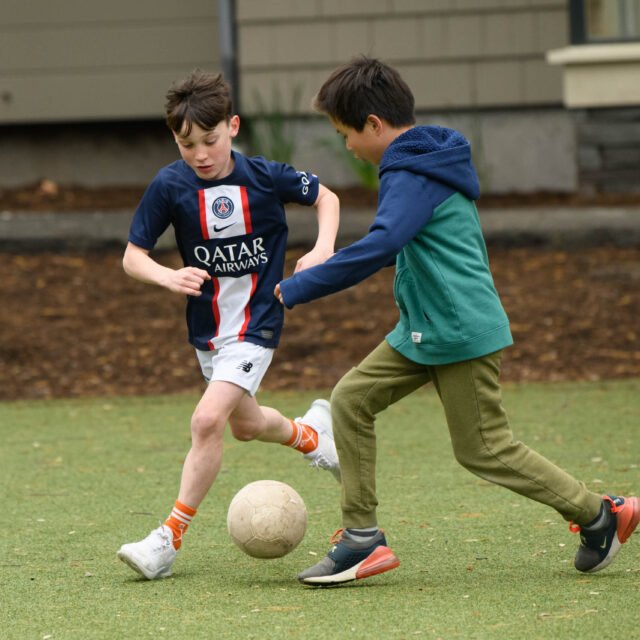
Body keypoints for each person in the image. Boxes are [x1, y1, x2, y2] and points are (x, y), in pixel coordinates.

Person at [275, 56, 639, 586]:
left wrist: (301, 285)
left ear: (374, 125)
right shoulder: (422, 161)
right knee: (352, 400)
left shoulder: (409, 172)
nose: (347, 146)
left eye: (345, 134)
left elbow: (383, 244)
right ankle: (361, 540)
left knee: (484, 448)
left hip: (458, 328)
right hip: (426, 327)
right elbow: (394, 244)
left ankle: (600, 514)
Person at [117, 70, 341, 580]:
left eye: (210, 140)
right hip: (209, 333)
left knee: (205, 421)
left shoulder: (264, 176)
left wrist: (324, 247)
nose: (199, 153)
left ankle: (166, 541)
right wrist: (167, 277)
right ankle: (313, 434)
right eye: (186, 143)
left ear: (233, 126)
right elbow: (133, 257)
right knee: (245, 425)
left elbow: (327, 198)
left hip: (258, 323)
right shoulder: (169, 185)